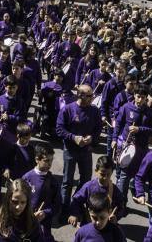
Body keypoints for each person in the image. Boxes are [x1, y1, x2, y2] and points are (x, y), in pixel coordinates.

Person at [56, 84, 102, 214]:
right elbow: (59, 129)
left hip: (86, 151)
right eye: (89, 96)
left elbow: (98, 128)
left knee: (86, 180)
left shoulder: (94, 110)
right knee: (67, 181)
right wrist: (73, 137)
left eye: (92, 95)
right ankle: (64, 210)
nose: (92, 98)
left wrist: (92, 138)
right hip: (70, 150)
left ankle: (76, 203)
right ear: (80, 95)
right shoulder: (68, 109)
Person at [113, 84, 152, 199]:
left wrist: (139, 129)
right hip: (126, 145)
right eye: (138, 96)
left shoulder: (150, 112)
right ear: (134, 96)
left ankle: (131, 191)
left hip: (141, 148)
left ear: (146, 98)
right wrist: (114, 139)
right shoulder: (126, 107)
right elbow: (118, 124)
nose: (140, 100)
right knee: (124, 174)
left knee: (137, 174)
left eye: (143, 97)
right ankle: (121, 202)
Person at [69, 156, 126, 227]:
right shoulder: (89, 186)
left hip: (107, 225)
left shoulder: (114, 189)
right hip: (89, 223)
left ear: (112, 172)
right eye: (102, 174)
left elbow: (120, 206)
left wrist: (116, 217)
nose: (105, 178)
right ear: (96, 171)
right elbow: (76, 200)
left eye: (108, 174)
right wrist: (74, 214)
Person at [21, 144, 60, 242]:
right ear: (37, 159)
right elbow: (18, 201)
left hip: (44, 225)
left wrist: (45, 213)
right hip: (26, 222)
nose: (50, 164)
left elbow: (57, 205)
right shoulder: (26, 178)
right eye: (46, 160)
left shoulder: (53, 182)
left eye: (51, 160)